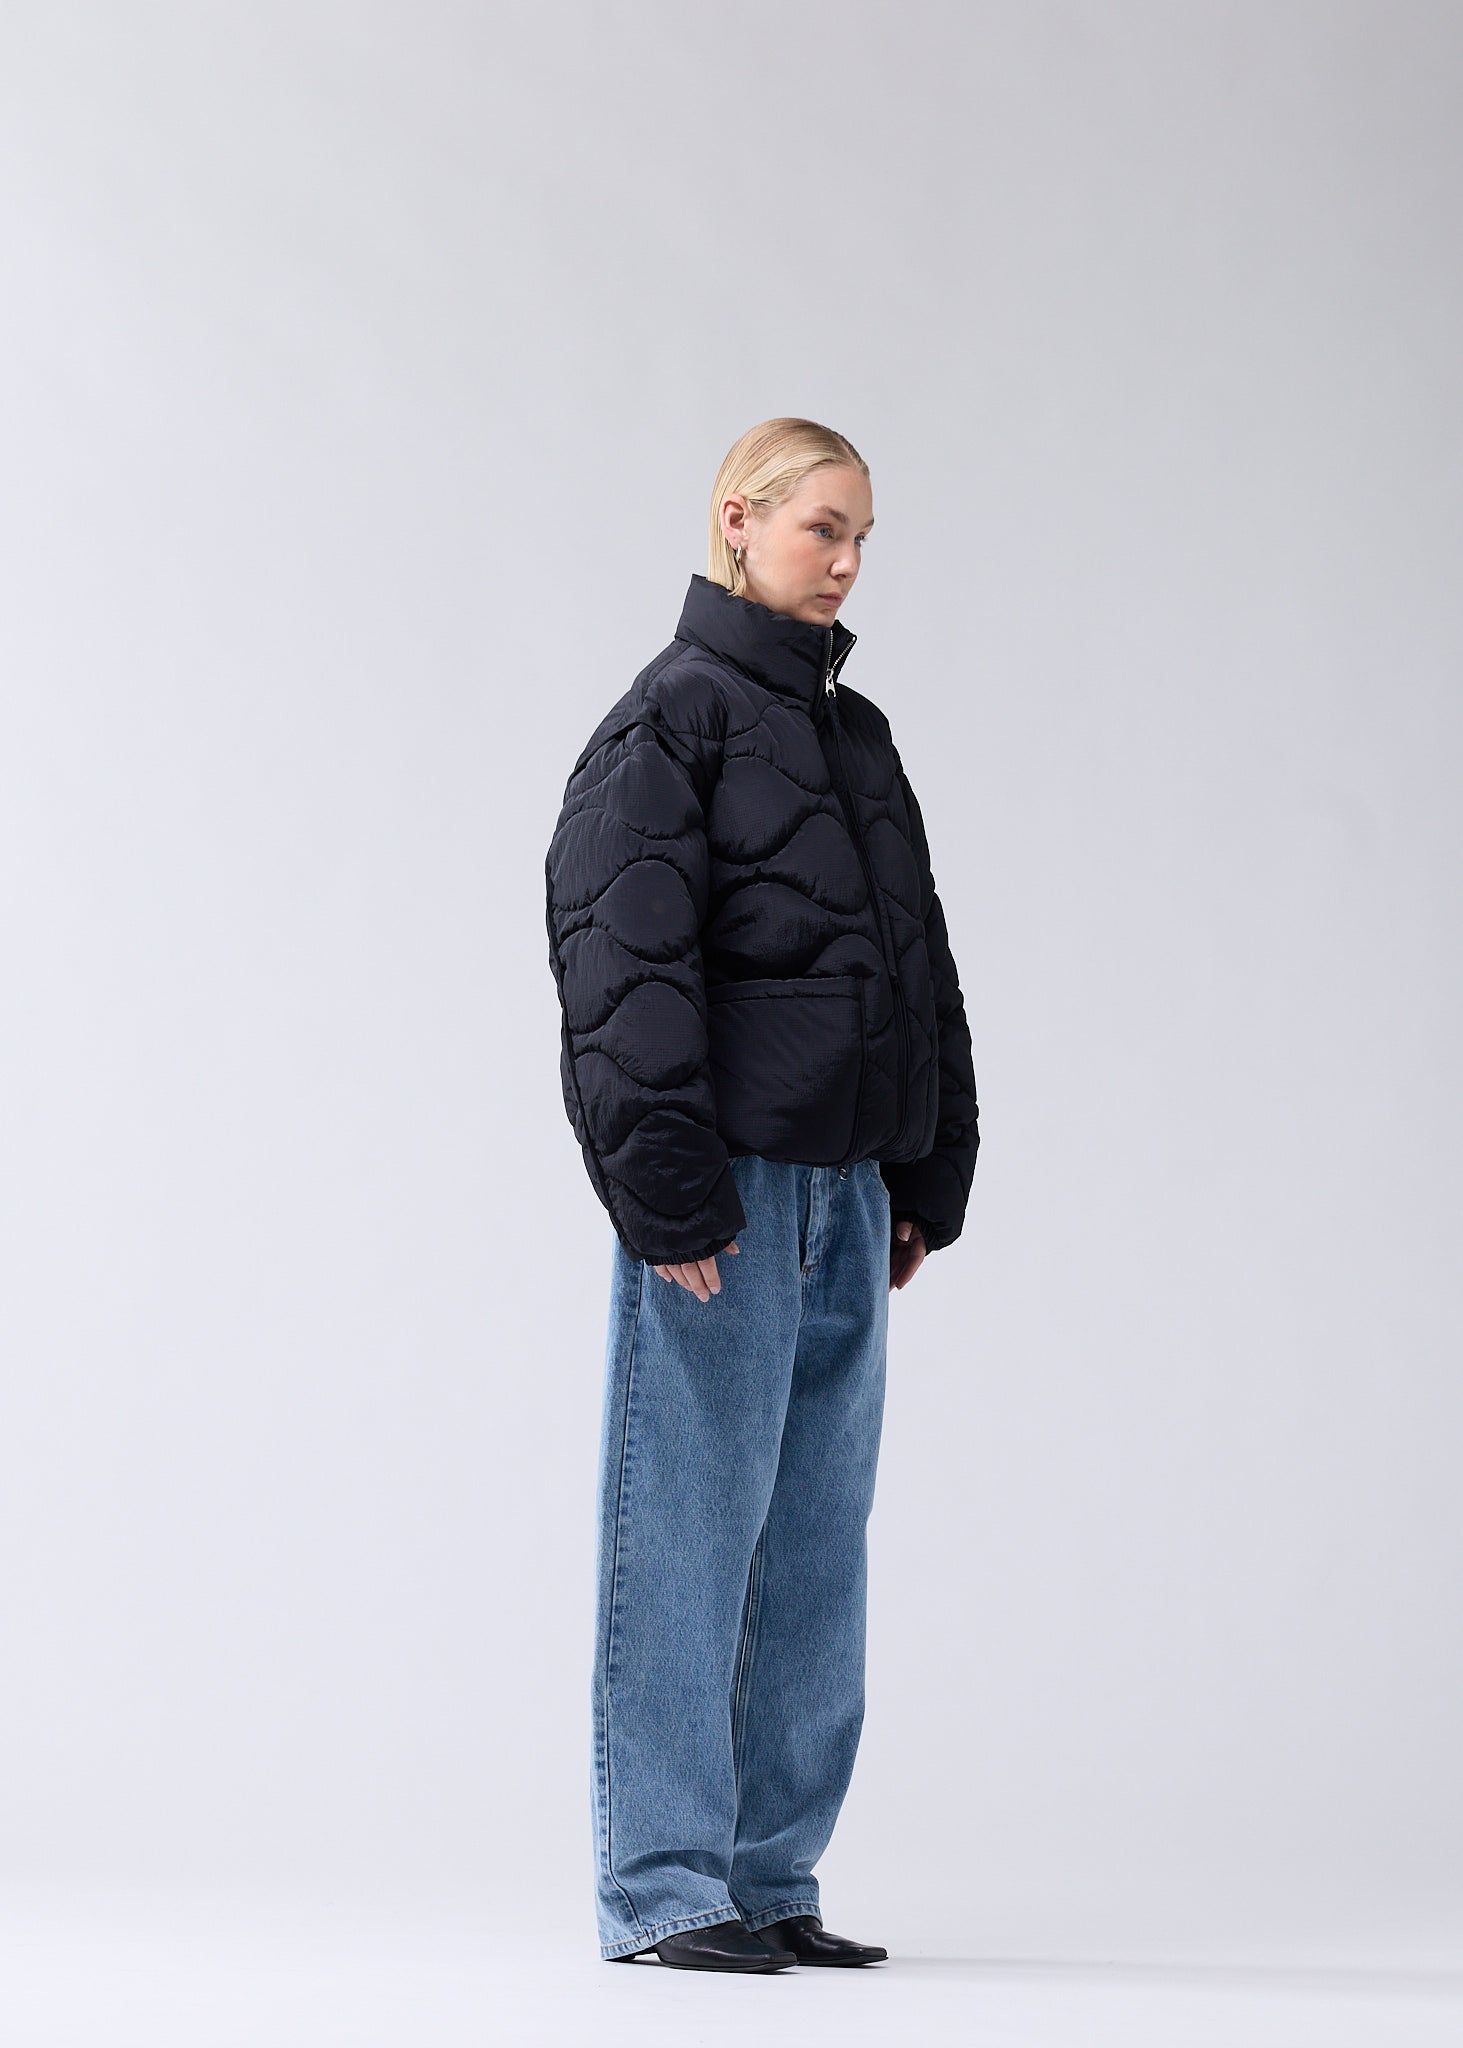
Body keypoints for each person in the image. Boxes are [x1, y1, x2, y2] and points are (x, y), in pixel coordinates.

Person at [543, 416, 980, 1973]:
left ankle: (773, 1878)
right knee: (687, 1538)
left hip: (849, 1195)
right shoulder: (672, 721)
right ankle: (668, 1889)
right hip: (722, 1198)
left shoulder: (857, 739)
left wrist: (926, 1167)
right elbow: (620, 965)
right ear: (739, 519)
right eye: (823, 530)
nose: (849, 563)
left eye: (863, 537)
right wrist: (668, 1195)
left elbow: (917, 959)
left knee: (812, 1550)